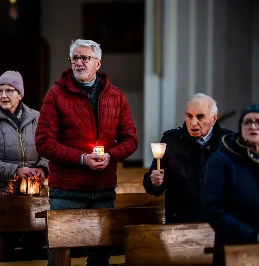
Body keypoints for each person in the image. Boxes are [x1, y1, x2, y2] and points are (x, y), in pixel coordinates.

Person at [35, 39, 138, 266]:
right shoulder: (55, 95)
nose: (79, 62)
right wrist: (82, 159)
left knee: (100, 257)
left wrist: (110, 156)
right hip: (67, 191)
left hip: (102, 190)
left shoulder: (116, 96)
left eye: (85, 58)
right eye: (75, 58)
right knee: (60, 255)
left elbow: (131, 140)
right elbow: (43, 142)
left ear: (98, 63)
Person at [0, 70, 48, 260]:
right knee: (5, 252)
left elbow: (49, 150)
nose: (3, 95)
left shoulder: (37, 117)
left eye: (10, 90)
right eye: (0, 91)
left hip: (33, 195)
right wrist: (15, 170)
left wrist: (43, 168)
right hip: (0, 196)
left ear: (20, 93)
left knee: (35, 252)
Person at [143, 93, 233, 223]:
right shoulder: (171, 141)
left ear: (214, 119)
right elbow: (153, 185)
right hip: (180, 222)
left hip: (218, 222)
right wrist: (154, 182)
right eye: (189, 116)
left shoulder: (228, 142)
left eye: (200, 116)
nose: (193, 122)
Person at [203, 104, 259, 265]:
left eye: (258, 122)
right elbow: (212, 209)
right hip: (234, 247)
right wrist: (253, 236)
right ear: (240, 128)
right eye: (248, 122)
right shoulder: (221, 161)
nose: (253, 126)